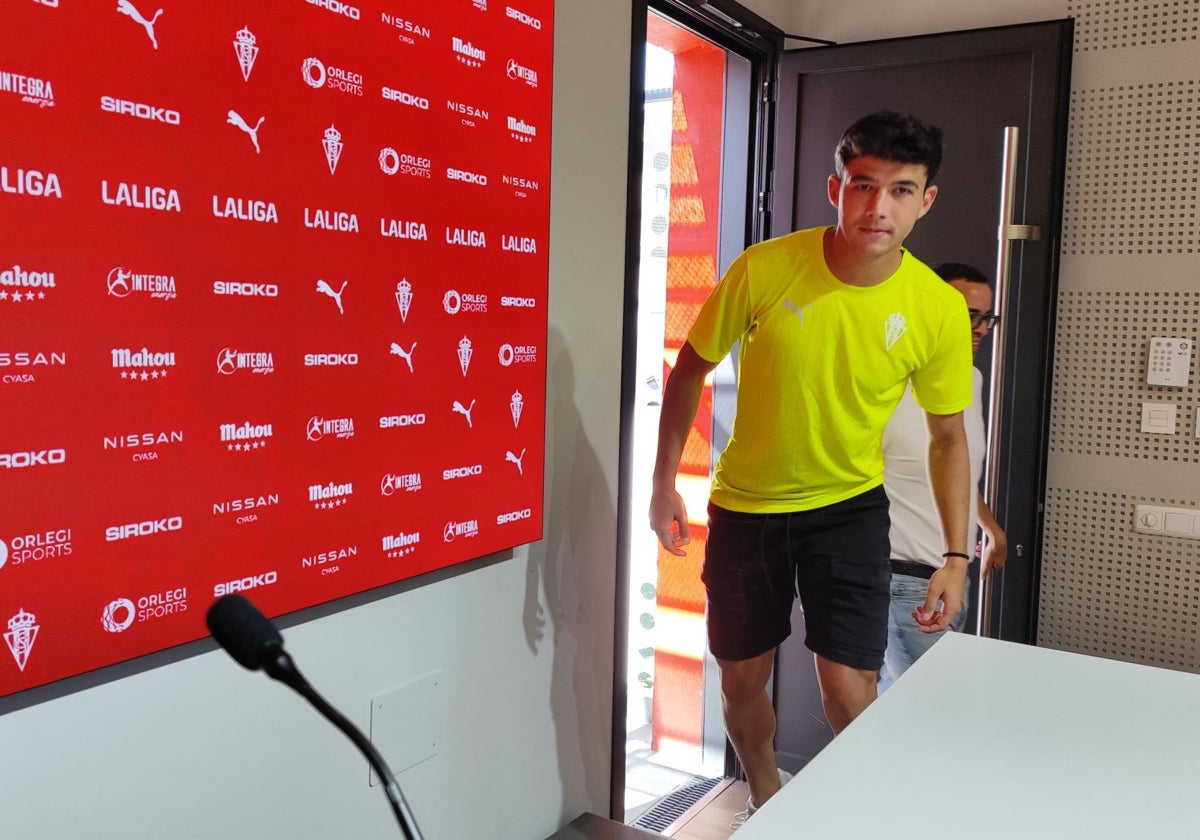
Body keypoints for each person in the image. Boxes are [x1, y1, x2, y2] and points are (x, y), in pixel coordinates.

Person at [649, 111, 975, 821]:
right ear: (836, 187)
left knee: (849, 689)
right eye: (863, 186)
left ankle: (862, 818)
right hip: (747, 506)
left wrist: (956, 553)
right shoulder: (765, 268)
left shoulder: (936, 309)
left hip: (849, 508)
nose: (878, 207)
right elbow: (689, 369)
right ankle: (764, 792)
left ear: (927, 200)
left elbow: (948, 436)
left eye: (899, 190)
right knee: (742, 680)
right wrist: (662, 481)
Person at [879, 262, 1008, 691]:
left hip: (953, 574)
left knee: (896, 712)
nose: (979, 328)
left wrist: (988, 525)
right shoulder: (887, 382)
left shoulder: (968, 379)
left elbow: (957, 470)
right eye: (967, 314)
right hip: (899, 580)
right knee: (933, 707)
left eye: (986, 317)